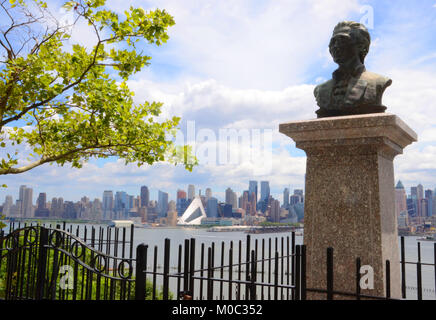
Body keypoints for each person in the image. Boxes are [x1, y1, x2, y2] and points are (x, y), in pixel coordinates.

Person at [314, 21, 392, 118]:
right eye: (333, 42)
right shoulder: (320, 90)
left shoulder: (378, 82)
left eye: (342, 40)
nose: (336, 46)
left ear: (361, 45)